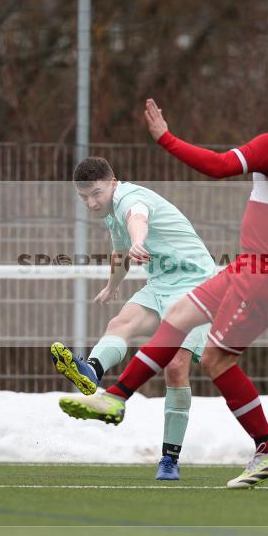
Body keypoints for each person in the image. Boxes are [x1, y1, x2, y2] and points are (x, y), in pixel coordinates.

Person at [61, 75, 268, 488]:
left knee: (216, 360)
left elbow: (217, 166)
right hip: (253, 268)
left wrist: (166, 138)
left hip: (265, 273)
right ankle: (115, 398)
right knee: (176, 316)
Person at [53, 156, 216, 480]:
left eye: (96, 194)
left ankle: (169, 459)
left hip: (196, 286)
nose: (90, 202)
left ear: (113, 183)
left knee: (175, 367)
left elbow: (136, 219)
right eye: (84, 197)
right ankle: (91, 371)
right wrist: (113, 287)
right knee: (119, 324)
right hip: (160, 286)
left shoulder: (129, 198)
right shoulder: (111, 212)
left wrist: (139, 240)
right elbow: (119, 252)